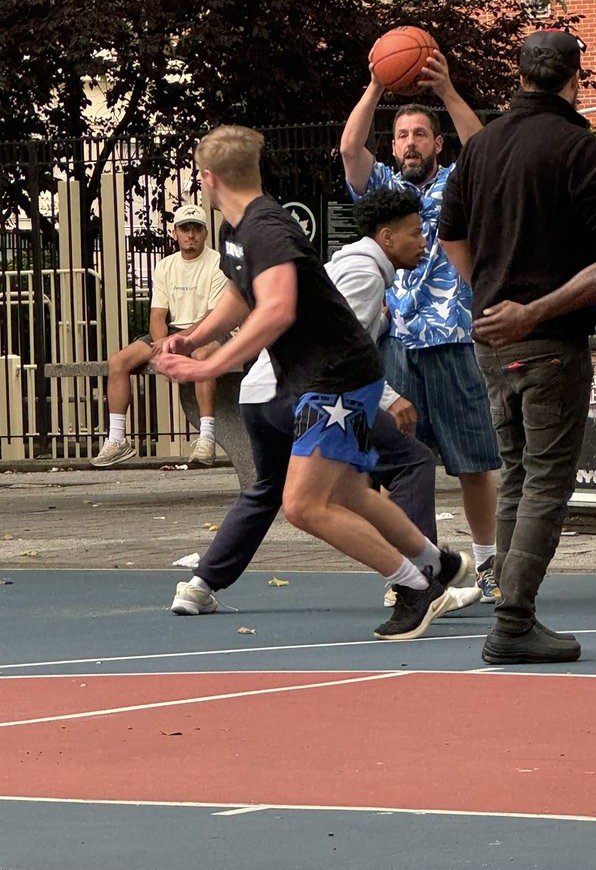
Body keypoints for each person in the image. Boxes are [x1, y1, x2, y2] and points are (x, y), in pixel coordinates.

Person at [154, 125, 470, 642]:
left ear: (206, 177)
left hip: (335, 378)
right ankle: (439, 563)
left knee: (302, 505)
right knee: (346, 491)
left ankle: (415, 587)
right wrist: (193, 339)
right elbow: (242, 294)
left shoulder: (266, 228)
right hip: (328, 377)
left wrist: (212, 366)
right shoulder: (241, 229)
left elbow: (277, 308)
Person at [439, 28, 596, 665]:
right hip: (547, 340)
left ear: (520, 74)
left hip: (492, 341)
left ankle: (510, 609)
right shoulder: (578, 148)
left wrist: (490, 291)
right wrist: (531, 307)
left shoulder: (482, 148)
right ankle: (512, 620)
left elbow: (449, 236)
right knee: (545, 485)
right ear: (575, 81)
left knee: (517, 479)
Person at [340, 49, 502, 602]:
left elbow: (484, 147)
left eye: (420, 134)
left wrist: (449, 91)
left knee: (474, 462)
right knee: (402, 466)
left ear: (437, 144)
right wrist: (377, 86)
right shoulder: (384, 188)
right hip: (398, 345)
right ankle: (418, 571)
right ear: (394, 146)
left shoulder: (459, 181)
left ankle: (486, 567)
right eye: (402, 135)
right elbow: (348, 148)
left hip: (453, 338)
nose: (410, 141)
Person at [90, 203, 227, 468]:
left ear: (205, 233)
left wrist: (176, 341)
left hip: (212, 331)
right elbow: (157, 315)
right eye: (184, 229)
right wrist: (161, 342)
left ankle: (207, 439)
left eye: (196, 229)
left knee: (201, 356)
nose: (191, 235)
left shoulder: (217, 263)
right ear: (174, 233)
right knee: (118, 361)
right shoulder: (165, 266)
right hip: (175, 332)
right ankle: (117, 439)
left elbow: (214, 317)